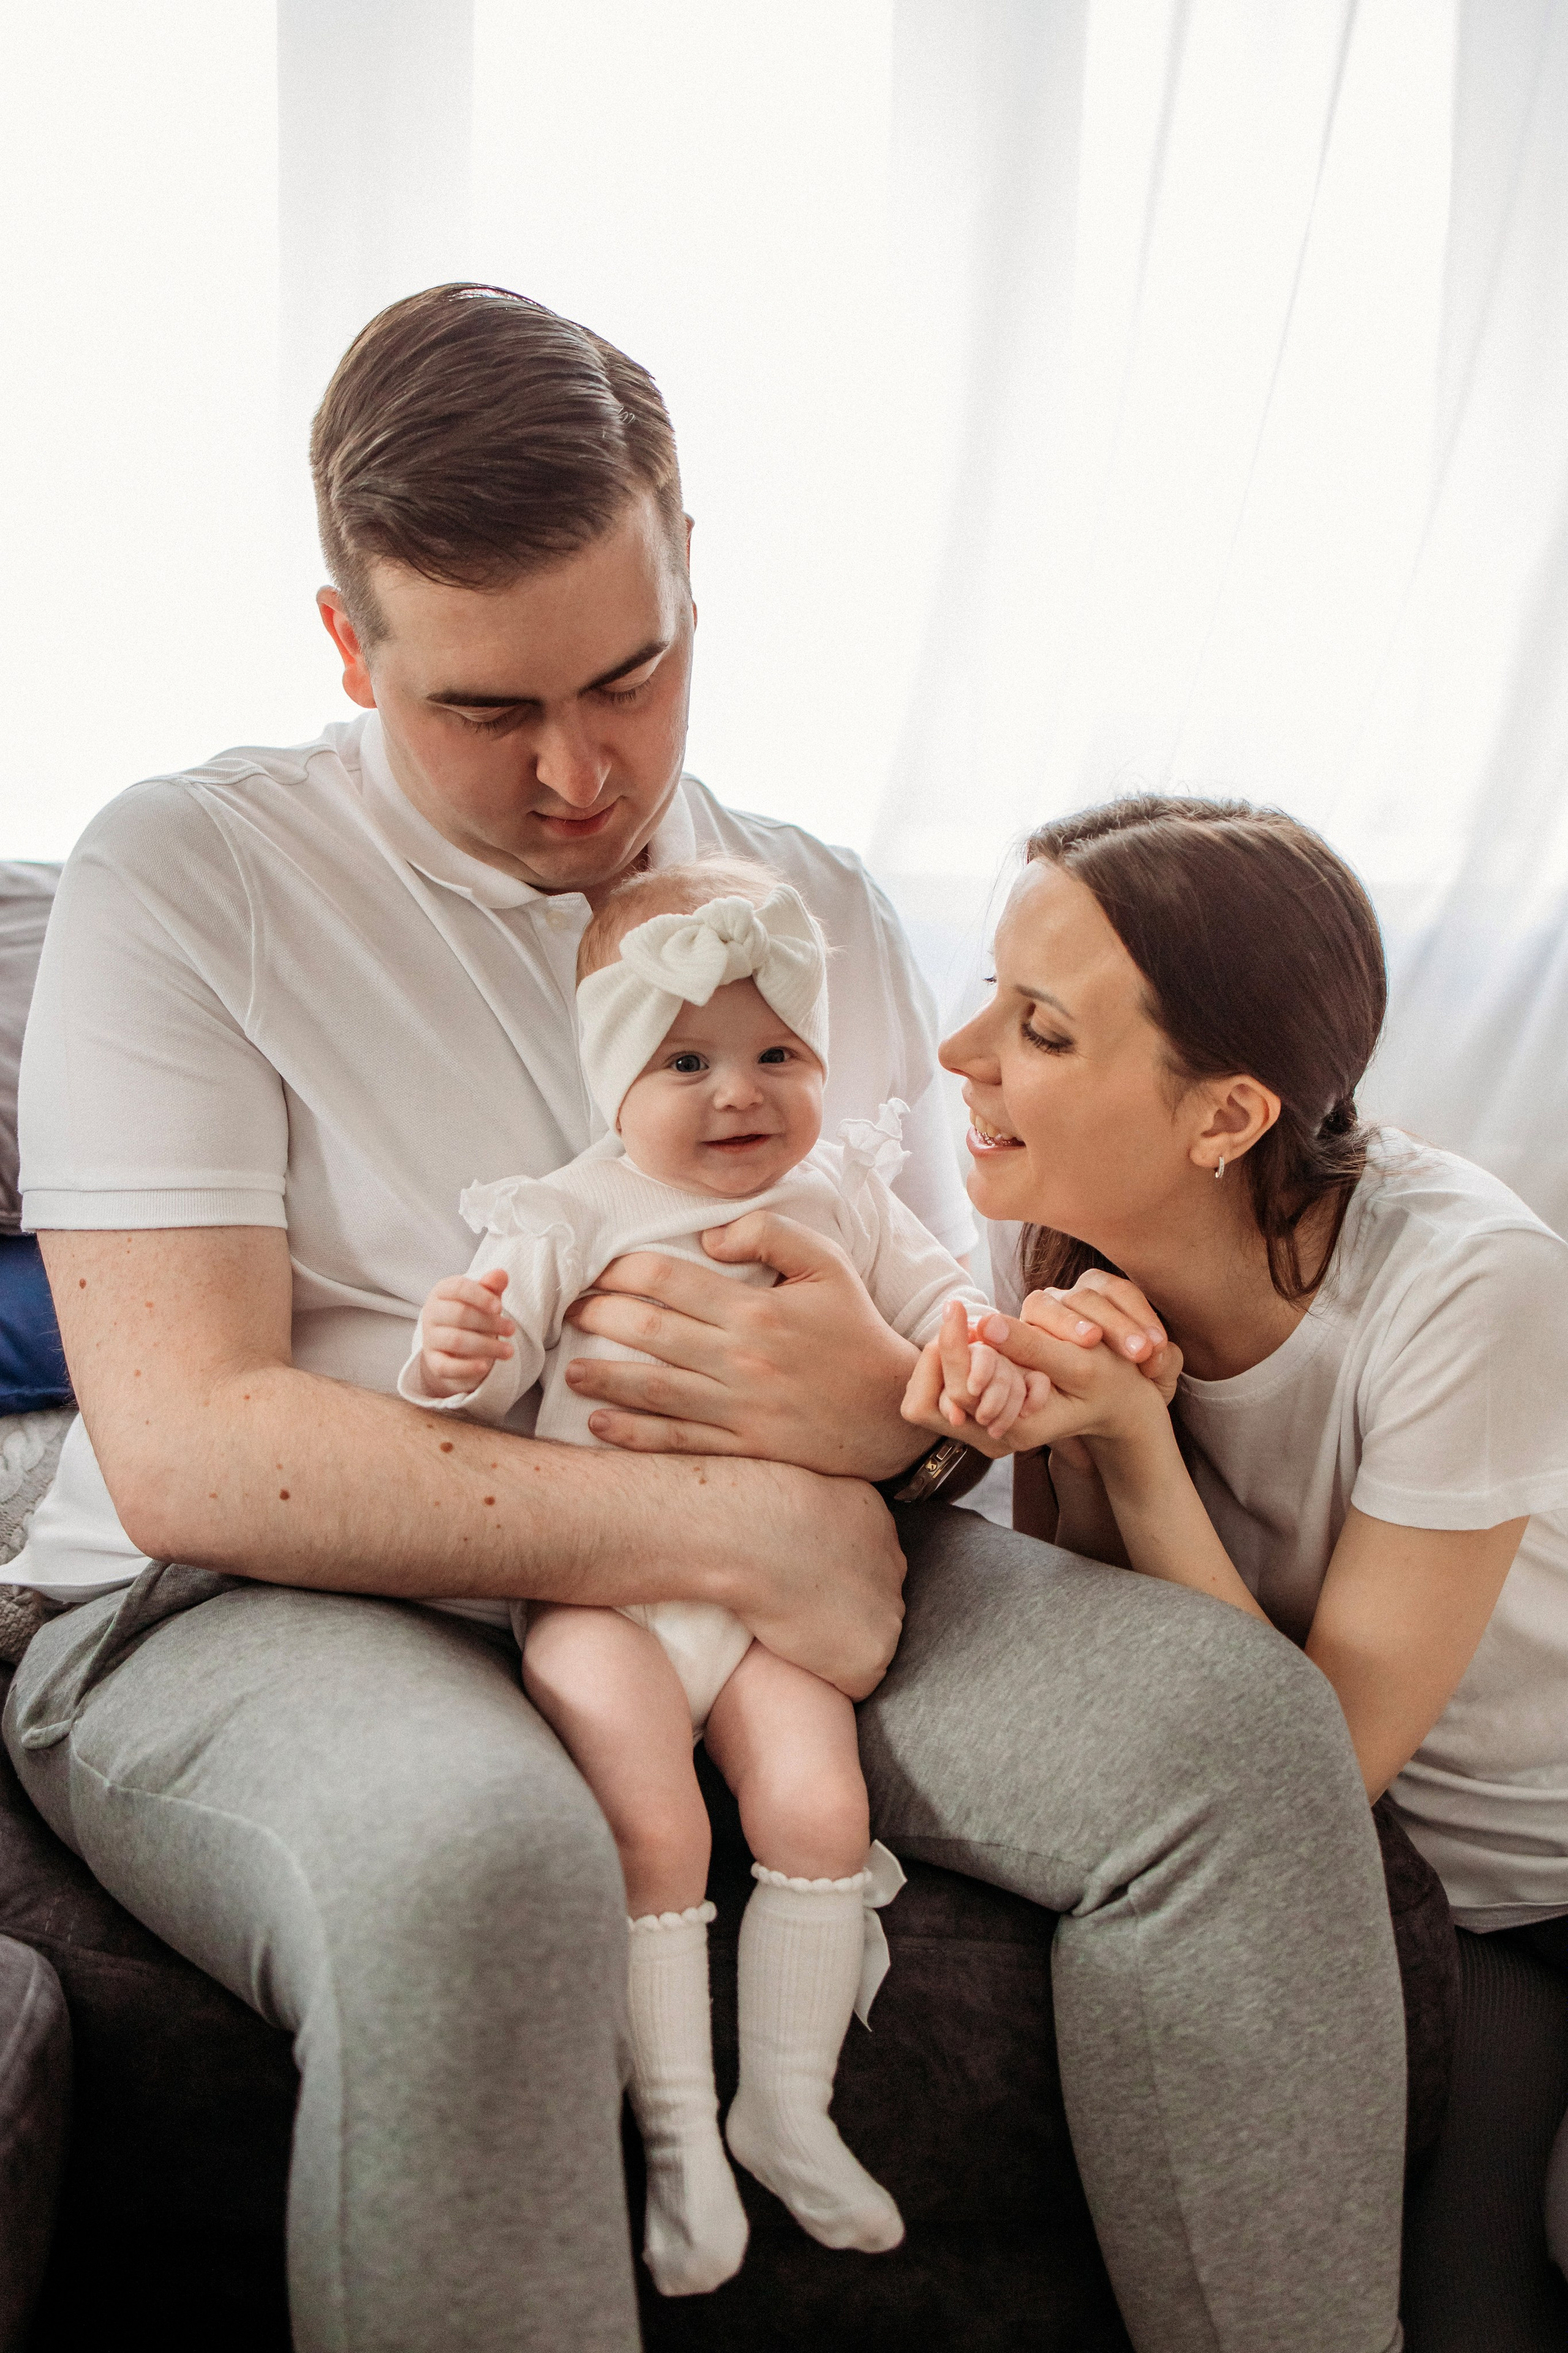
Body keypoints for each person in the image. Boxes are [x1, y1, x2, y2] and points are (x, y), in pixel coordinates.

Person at [1, 287, 1408, 2353]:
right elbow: (194, 1443)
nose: (581, 771)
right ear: (348, 647)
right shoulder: (188, 873)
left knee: (1242, 1735)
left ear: (688, 573)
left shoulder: (811, 903)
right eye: (483, 710)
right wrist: (736, 1531)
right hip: (242, 1597)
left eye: (629, 673)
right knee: (484, 1866)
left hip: (801, 1559)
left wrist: (898, 1429)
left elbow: (936, 1382)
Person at [904, 790, 1568, 2287]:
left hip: (1530, 1875)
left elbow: (1313, 1773)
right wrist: (1049, 1428)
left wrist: (1134, 1447)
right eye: (989, 1001)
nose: (962, 1058)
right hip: (1378, 1893)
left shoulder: (1472, 1285)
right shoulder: (1057, 1212)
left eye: (1042, 1030)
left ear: (1226, 1114)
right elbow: (1107, 1650)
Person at [405, 859, 1007, 2294]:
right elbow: (468, 1405)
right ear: (613, 1078)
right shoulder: (566, 1210)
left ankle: (783, 2107)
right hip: (605, 1594)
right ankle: (676, 2132)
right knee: (653, 1828)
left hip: (773, 1605)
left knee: (815, 1802)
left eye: (775, 1055)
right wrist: (452, 1356)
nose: (739, 1093)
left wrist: (972, 1354)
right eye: (686, 1060)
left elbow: (942, 1310)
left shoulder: (845, 1191)